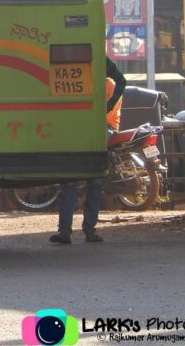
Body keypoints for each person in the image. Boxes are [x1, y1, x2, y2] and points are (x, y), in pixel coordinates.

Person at [50, 57, 128, 245]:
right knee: (88, 180)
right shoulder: (99, 80)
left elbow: (121, 81)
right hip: (90, 126)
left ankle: (72, 230)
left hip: (101, 126)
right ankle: (80, 230)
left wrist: (104, 108)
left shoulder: (106, 82)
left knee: (80, 180)